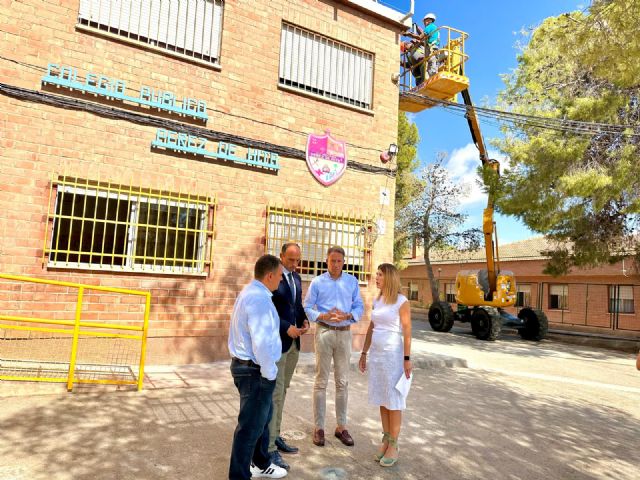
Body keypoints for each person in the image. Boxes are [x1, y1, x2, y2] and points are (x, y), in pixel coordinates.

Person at [228, 254, 288, 480]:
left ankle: (260, 463)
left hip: (251, 368)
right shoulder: (259, 299)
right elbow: (261, 341)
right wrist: (269, 372)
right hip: (255, 371)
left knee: (263, 418)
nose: (281, 280)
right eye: (280, 276)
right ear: (270, 275)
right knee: (250, 427)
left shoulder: (252, 293)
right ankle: (239, 475)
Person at [304, 246, 364, 448]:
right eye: (332, 261)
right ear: (326, 261)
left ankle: (341, 427)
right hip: (324, 332)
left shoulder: (352, 281)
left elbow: (359, 306)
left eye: (339, 261)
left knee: (343, 382)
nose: (336, 264)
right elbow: (307, 307)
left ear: (344, 262)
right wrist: (322, 315)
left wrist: (348, 315)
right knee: (321, 381)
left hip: (345, 333)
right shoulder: (318, 282)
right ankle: (319, 428)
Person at [358, 263, 412, 467]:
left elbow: (407, 332)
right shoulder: (378, 300)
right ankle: (386, 439)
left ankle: (394, 445)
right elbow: (372, 327)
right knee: (382, 397)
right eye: (376, 274)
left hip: (393, 357)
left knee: (394, 400)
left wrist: (407, 359)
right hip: (377, 356)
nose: (376, 278)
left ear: (389, 277)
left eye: (379, 275)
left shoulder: (402, 301)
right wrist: (364, 352)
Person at [267, 243, 310, 471]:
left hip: (294, 344)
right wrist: (287, 327)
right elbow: (271, 310)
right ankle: (269, 448)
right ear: (281, 256)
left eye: (297, 260)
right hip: (280, 342)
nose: (294, 264)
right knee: (275, 394)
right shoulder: (274, 277)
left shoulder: (296, 278)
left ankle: (276, 435)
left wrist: (303, 320)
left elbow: (296, 305)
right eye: (290, 260)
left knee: (282, 392)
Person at [405, 12, 440, 85]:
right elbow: (423, 41)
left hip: (432, 50)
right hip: (433, 49)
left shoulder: (430, 27)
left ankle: (432, 82)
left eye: (425, 21)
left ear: (429, 20)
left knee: (431, 67)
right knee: (431, 66)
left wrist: (409, 34)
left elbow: (420, 37)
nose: (424, 23)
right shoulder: (433, 28)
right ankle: (431, 80)